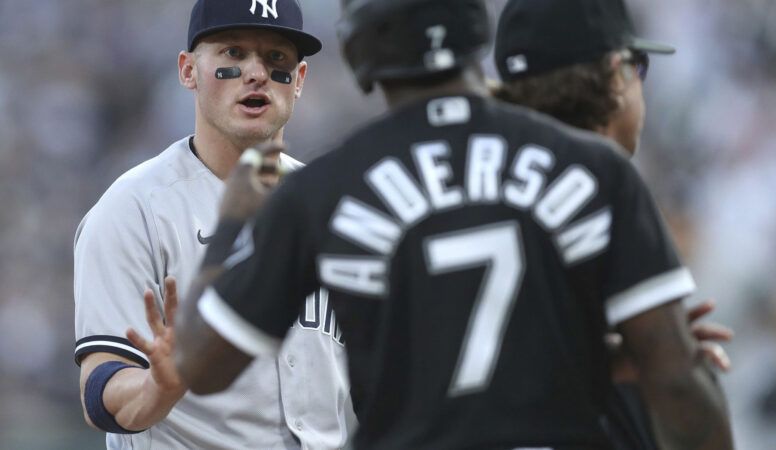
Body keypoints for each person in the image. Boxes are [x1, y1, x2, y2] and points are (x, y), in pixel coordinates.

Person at [173, 0, 734, 448]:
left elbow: (200, 366)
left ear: (360, 48)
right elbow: (679, 385)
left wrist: (232, 224)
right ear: (475, 33)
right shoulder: (593, 167)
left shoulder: (320, 191)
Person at [73, 0, 353, 448]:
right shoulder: (135, 208)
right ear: (188, 71)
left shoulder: (335, 206)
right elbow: (100, 391)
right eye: (233, 54)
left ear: (298, 81)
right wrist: (156, 388)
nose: (257, 73)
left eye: (276, 58)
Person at [492, 0, 734, 448]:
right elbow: (678, 385)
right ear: (617, 72)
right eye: (639, 66)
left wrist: (614, 352)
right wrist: (664, 353)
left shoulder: (472, 189)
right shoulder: (603, 179)